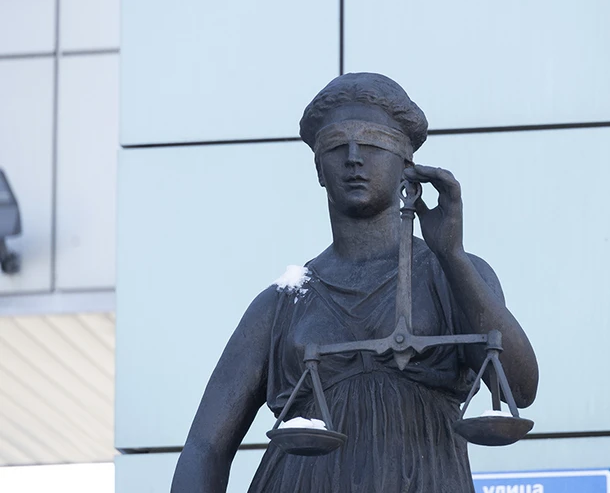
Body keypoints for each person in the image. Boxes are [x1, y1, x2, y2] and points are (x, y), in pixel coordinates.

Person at [170, 73, 538, 493]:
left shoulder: (452, 274)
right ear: (318, 169)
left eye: (372, 143)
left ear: (407, 166)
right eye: (336, 146)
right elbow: (205, 447)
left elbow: (520, 389)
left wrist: (451, 255)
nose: (353, 158)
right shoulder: (281, 303)